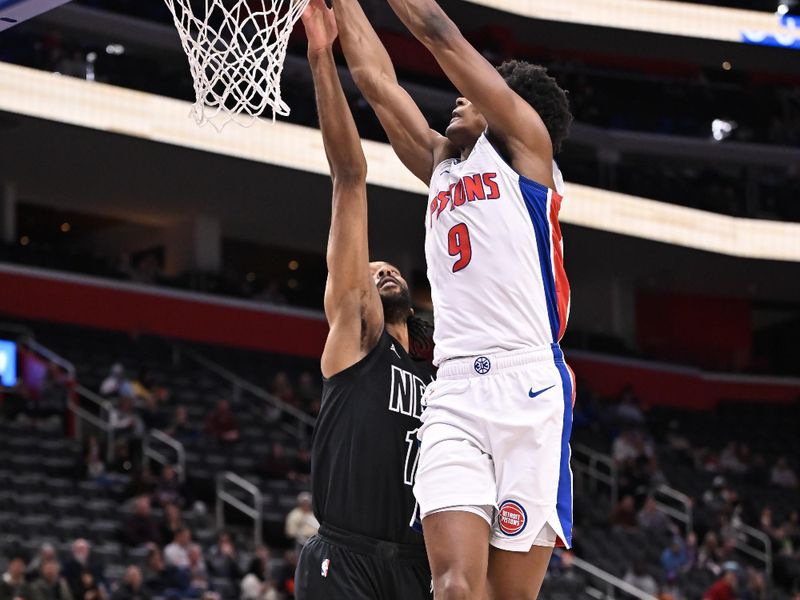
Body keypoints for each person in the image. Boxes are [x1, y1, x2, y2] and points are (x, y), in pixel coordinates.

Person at [331, 0, 573, 596]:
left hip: (527, 384)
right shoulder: (441, 163)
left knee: (507, 594)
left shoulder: (526, 152)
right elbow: (377, 83)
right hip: (455, 389)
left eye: (472, 97)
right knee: (455, 587)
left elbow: (437, 31)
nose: (457, 101)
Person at [293, 1, 435, 598]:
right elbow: (350, 176)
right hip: (345, 553)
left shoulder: (439, 371)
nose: (379, 271)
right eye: (370, 270)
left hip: (414, 561)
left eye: (388, 267)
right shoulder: (356, 335)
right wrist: (323, 59)